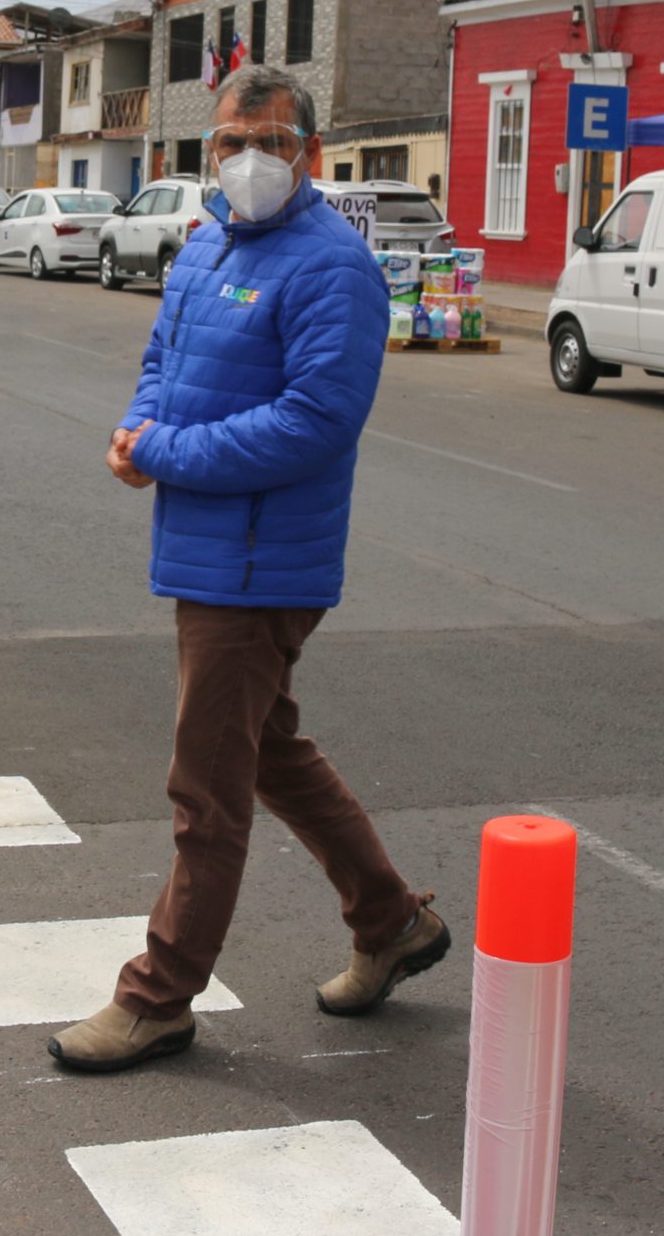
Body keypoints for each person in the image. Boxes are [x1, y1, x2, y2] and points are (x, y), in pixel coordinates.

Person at [48, 63, 448, 1075]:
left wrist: (168, 453)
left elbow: (315, 422)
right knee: (267, 751)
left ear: (309, 152)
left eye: (271, 142)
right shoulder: (208, 242)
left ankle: (158, 999)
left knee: (207, 789)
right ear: (210, 149)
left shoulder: (332, 266)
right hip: (210, 545)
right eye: (232, 142)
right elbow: (164, 358)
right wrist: (136, 430)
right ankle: (392, 922)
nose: (249, 160)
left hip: (262, 562)